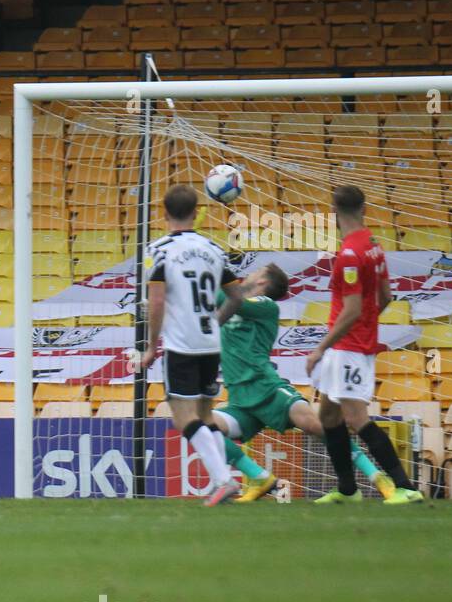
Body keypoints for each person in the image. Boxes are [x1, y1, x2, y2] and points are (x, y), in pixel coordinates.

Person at [209, 263, 394, 502]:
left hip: (268, 389)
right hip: (239, 399)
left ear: (263, 282)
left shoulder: (265, 306)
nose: (250, 274)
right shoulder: (229, 306)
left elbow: (226, 296)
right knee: (202, 429)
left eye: (256, 272)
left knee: (316, 427)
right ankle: (258, 477)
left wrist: (196, 280)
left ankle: (377, 476)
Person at [305, 185, 422, 504]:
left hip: (348, 348)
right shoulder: (373, 245)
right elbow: (384, 296)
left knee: (356, 417)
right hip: (350, 345)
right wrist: (369, 323)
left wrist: (320, 348)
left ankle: (405, 486)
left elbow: (353, 309)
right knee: (328, 416)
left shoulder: (349, 255)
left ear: (333, 213)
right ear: (364, 208)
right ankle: (347, 489)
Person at [140, 184, 243, 506]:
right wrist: (216, 321)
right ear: (197, 212)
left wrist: (151, 345)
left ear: (164, 213)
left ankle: (225, 481)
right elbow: (237, 296)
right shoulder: (214, 249)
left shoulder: (158, 250)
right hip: (210, 343)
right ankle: (224, 479)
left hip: (181, 344)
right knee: (205, 415)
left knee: (184, 418)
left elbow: (156, 303)